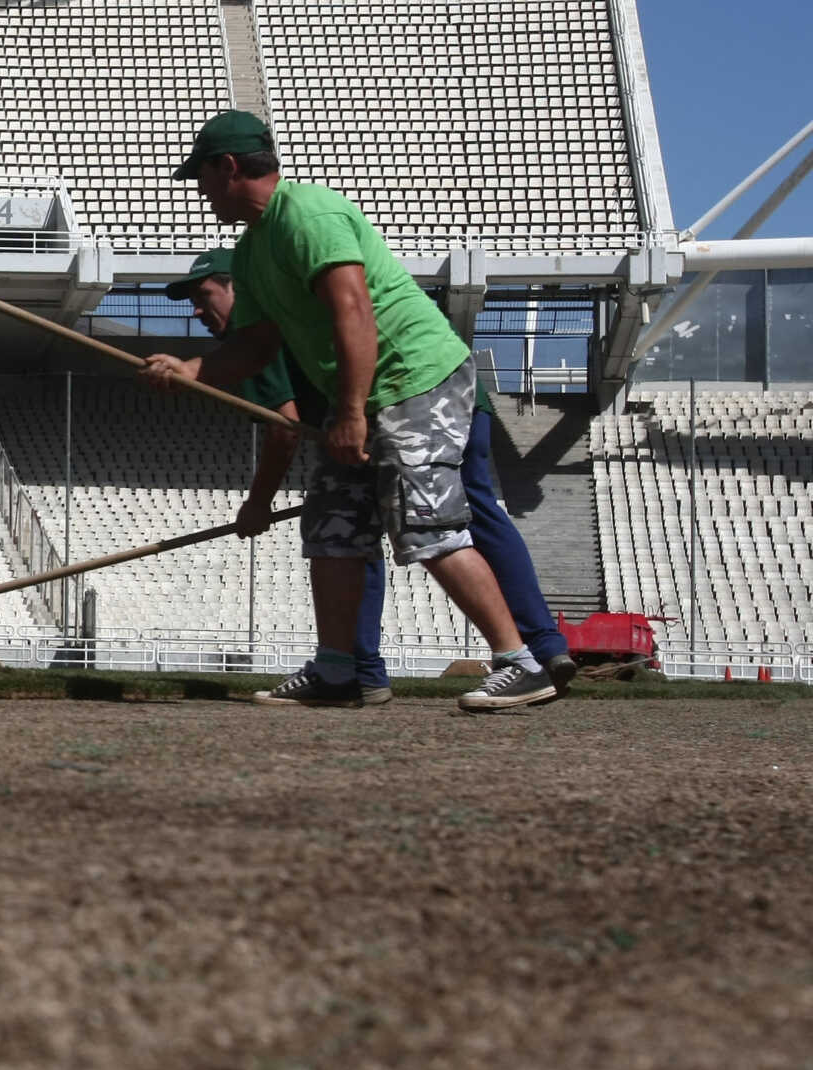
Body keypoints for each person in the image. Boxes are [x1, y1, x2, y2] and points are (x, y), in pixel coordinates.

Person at [140, 111, 559, 712]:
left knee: (427, 522)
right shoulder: (253, 249)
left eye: (201, 179)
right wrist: (189, 372)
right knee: (333, 524)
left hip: (415, 379)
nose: (199, 192)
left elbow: (352, 310)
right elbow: (255, 344)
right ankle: (340, 671)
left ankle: (520, 663)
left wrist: (352, 412)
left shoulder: (309, 214)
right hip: (364, 394)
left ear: (228, 168)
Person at [165, 247, 579, 705]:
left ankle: (524, 655)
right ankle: (360, 668)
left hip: (414, 397)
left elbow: (283, 432)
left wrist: (258, 503)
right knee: (362, 526)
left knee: (441, 521)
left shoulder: (258, 329)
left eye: (204, 296)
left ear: (237, 288)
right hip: (417, 399)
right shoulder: (274, 320)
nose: (198, 311)